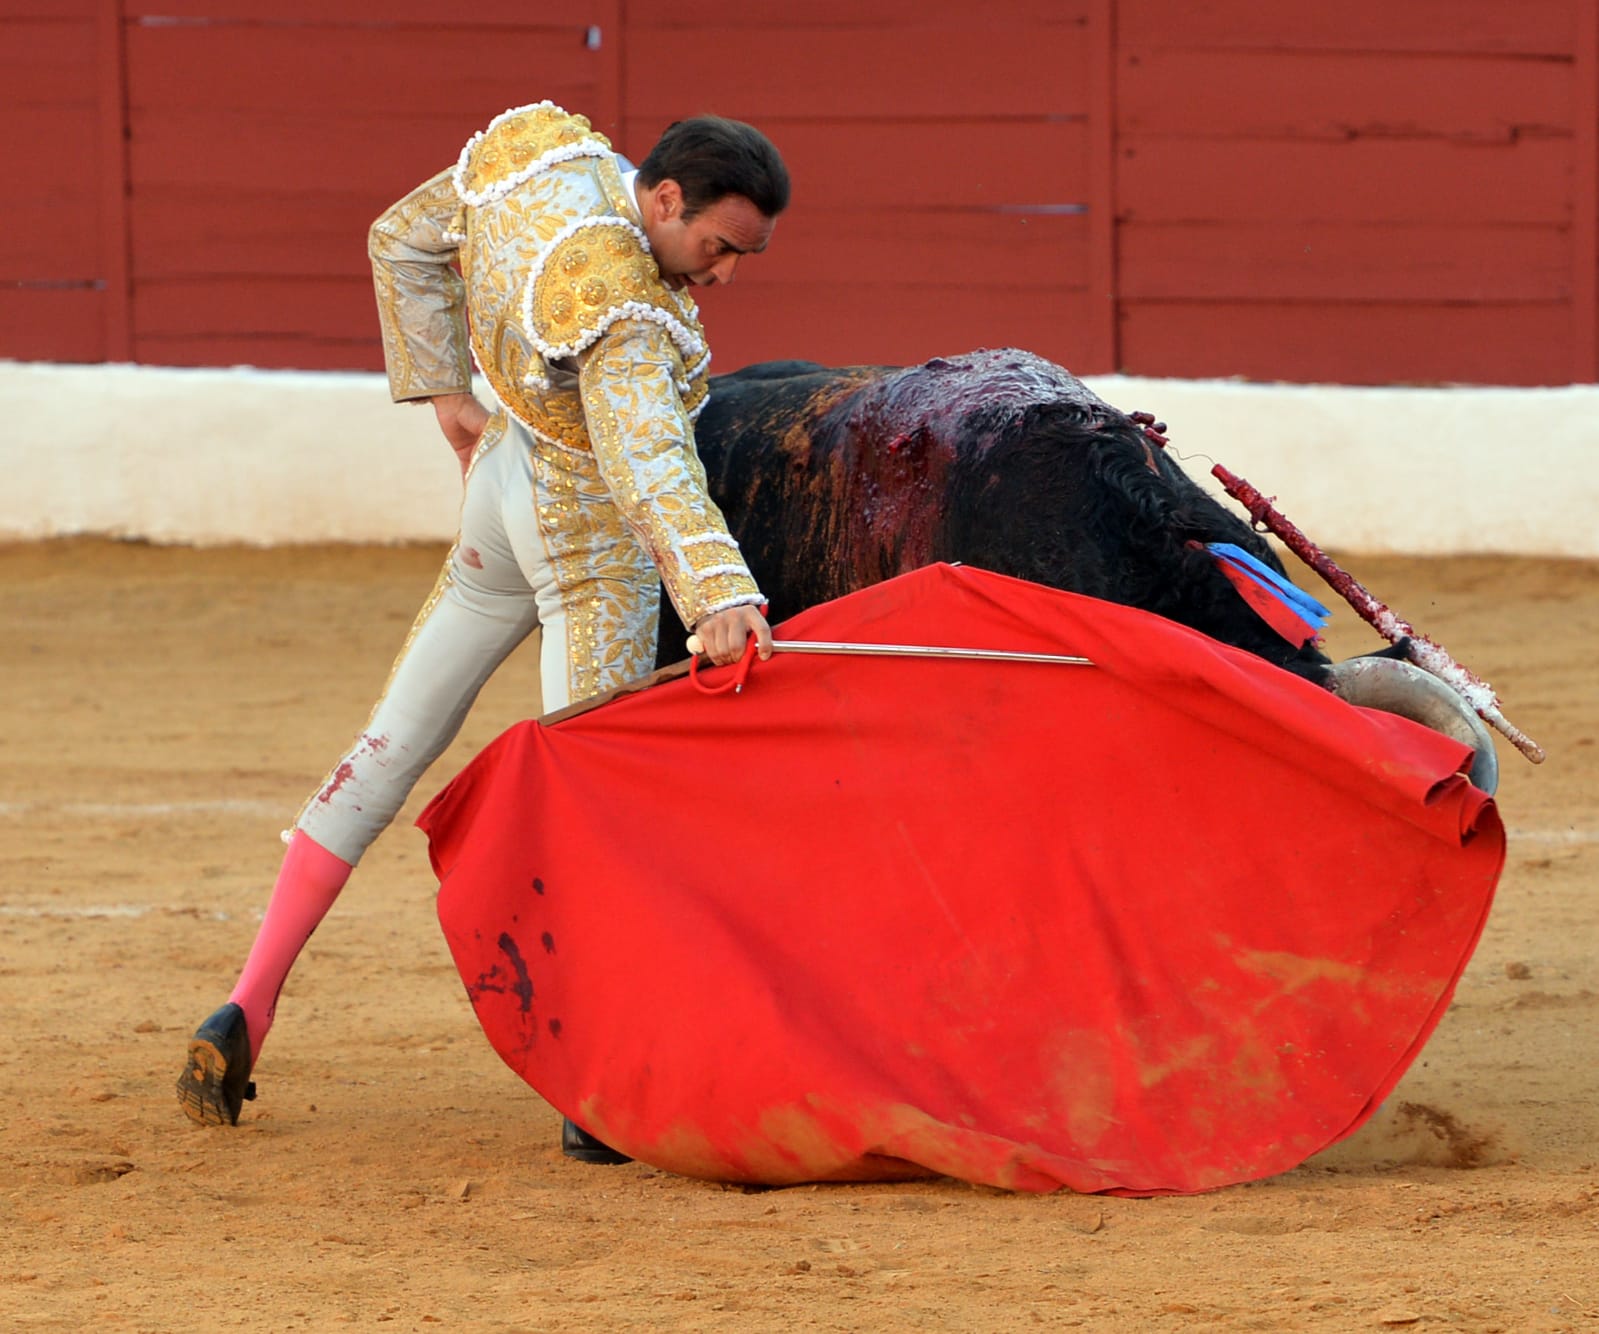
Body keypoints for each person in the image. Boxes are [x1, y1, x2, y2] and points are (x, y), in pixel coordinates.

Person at [176, 102, 790, 1163]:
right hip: (587, 542)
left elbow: (401, 240)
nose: (723, 274)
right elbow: (651, 468)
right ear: (666, 199)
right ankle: (589, 1088)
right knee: (595, 802)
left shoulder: (547, 159)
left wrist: (448, 395)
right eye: (719, 246)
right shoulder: (629, 312)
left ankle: (248, 998)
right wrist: (719, 594)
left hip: (500, 491)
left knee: (391, 737)